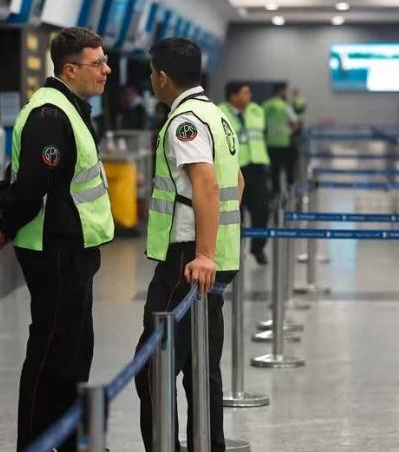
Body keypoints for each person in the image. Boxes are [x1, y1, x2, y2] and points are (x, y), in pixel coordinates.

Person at [0, 27, 114, 452]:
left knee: (74, 354)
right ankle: (35, 444)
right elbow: (33, 184)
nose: (106, 70)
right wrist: (6, 226)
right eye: (98, 64)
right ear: (70, 69)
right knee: (50, 354)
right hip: (54, 250)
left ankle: (68, 439)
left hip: (75, 248)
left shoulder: (70, 109)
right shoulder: (50, 115)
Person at [134, 37, 244, 452]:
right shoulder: (216, 115)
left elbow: (207, 183)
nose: (151, 80)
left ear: (162, 77)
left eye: (151, 74)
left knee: (153, 367)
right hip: (215, 257)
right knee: (201, 367)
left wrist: (203, 252)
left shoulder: (186, 121)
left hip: (188, 258)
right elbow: (237, 182)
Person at [219, 82, 271, 264]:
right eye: (245, 92)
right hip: (232, 170)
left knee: (262, 208)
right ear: (233, 96)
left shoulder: (257, 110)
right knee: (233, 213)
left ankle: (258, 248)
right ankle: (234, 251)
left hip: (257, 167)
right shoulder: (219, 112)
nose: (249, 95)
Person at [263, 83, 299, 195]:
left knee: (274, 171)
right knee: (289, 169)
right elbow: (295, 123)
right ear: (281, 92)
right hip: (284, 143)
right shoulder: (285, 106)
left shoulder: (265, 105)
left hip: (270, 143)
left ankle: (275, 193)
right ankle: (290, 190)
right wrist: (289, 132)